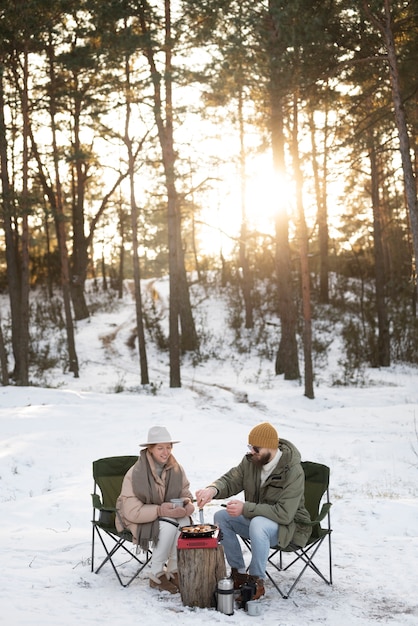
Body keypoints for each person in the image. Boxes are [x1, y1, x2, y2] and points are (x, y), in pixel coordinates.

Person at [195, 422, 311, 600]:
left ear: (271, 447)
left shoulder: (292, 471)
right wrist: (212, 490)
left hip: (289, 528)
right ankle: (239, 575)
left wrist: (246, 508)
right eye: (250, 447)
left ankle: (257, 581)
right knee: (221, 517)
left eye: (255, 448)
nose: (251, 452)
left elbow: (285, 513)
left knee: (257, 523)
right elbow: (231, 479)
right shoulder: (253, 461)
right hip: (259, 522)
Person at [115, 426, 195, 594]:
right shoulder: (135, 473)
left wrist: (187, 504)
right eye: (160, 448)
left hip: (167, 516)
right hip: (134, 519)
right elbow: (132, 511)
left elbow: (185, 492)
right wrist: (160, 510)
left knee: (184, 522)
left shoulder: (176, 468)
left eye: (168, 447)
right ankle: (156, 574)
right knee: (168, 524)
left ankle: (173, 570)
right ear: (149, 449)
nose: (166, 452)